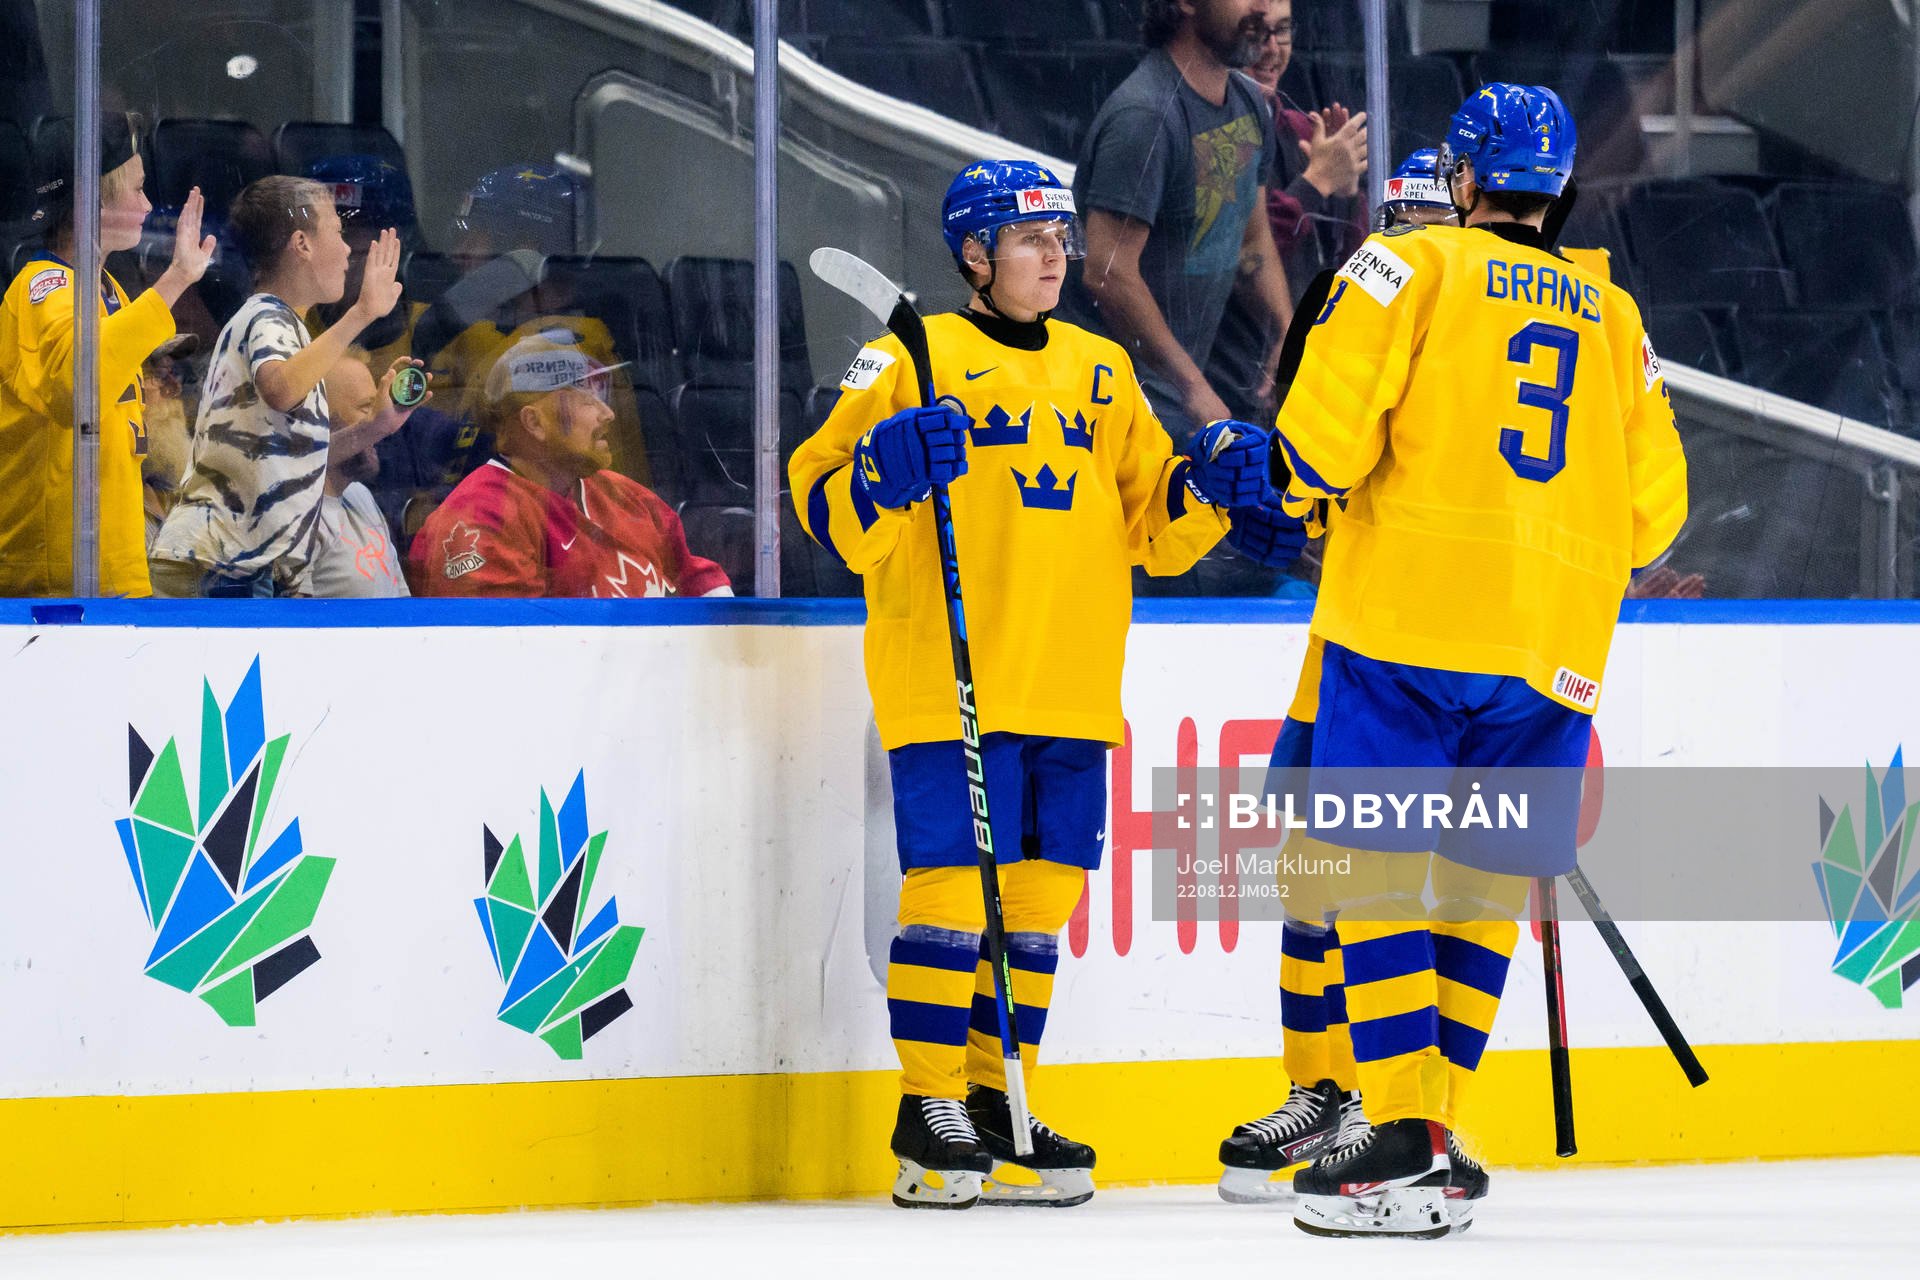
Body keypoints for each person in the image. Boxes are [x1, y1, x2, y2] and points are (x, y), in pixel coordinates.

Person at [789, 158, 1279, 1210]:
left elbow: (1156, 527)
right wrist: (879, 473)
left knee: (1038, 900)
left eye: (1061, 237)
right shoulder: (904, 361)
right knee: (955, 891)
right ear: (975, 254)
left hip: (1070, 680)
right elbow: (824, 505)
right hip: (950, 676)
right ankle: (930, 1111)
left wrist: (1208, 484)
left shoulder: (1103, 371)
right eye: (1030, 240)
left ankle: (997, 1102)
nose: (1056, 255)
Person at [1250, 83, 1686, 1237]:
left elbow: (1322, 445)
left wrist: (1284, 487)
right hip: (1553, 654)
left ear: (1466, 182)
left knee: (1376, 872)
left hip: (1408, 627)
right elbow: (1658, 517)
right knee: (1484, 889)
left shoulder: (1414, 268)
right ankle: (1436, 1130)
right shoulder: (1619, 317)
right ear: (1558, 192)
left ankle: (1391, 1130)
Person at [1213, 146, 1463, 1205]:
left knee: (1419, 886)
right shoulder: (1357, 309)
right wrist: (1264, 491)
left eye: (1423, 224)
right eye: (1392, 222)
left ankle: (1413, 1113)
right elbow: (1310, 473)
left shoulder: (1470, 342)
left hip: (1446, 659)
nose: (1402, 243)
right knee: (1317, 868)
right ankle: (1325, 1092)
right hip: (1350, 643)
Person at [149, 176, 414, 597]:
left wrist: (376, 428)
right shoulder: (266, 317)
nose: (348, 251)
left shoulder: (288, 329)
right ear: (302, 244)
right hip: (220, 564)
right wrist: (362, 313)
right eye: (338, 233)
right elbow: (279, 389)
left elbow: (286, 456)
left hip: (246, 562)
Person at [0, 112, 214, 596]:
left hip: (110, 575)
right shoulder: (43, 289)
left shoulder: (105, 290)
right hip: (53, 595)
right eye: (135, 189)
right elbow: (79, 387)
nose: (147, 204)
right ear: (89, 200)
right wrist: (177, 277)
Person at [1070, 0, 1293, 447]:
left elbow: (1250, 241)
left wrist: (1287, 331)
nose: (1263, 9)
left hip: (1179, 397)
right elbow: (1107, 272)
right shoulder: (1145, 117)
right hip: (1106, 403)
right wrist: (1192, 386)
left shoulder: (1249, 102)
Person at [408, 330, 727, 598]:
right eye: (586, 398)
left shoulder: (626, 497)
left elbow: (701, 584)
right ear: (534, 422)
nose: (608, 414)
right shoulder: (481, 517)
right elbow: (511, 653)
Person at [1206, 2, 1369, 421]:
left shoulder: (1302, 131)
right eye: (1257, 33)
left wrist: (1348, 194)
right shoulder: (1209, 131)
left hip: (1304, 372)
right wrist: (1316, 185)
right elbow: (1235, 252)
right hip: (1224, 370)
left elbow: (1354, 266)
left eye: (1283, 32)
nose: (1272, 50)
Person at [310, 352, 412, 597]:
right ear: (319, 421)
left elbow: (400, 602)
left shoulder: (360, 494)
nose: (381, 418)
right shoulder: (297, 514)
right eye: (367, 407)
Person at [139, 333, 199, 553]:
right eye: (160, 374)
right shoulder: (99, 499)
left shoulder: (169, 494)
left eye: (175, 373)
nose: (174, 388)